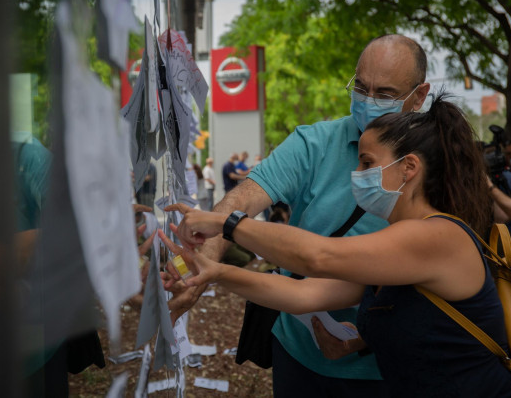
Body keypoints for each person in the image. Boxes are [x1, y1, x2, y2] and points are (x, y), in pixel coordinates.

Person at [161, 94, 511, 397]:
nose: (356, 175)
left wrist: (226, 223)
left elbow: (317, 257)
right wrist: (214, 272)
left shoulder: (438, 236)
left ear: (409, 167)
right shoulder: (397, 245)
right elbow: (301, 294)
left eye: (366, 163)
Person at [165, 34, 431, 397]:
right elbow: (244, 199)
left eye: (383, 94)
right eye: (361, 88)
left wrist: (362, 340)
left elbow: (320, 260)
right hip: (299, 349)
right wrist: (201, 265)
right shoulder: (316, 142)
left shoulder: (440, 176)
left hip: (389, 367)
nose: (368, 102)